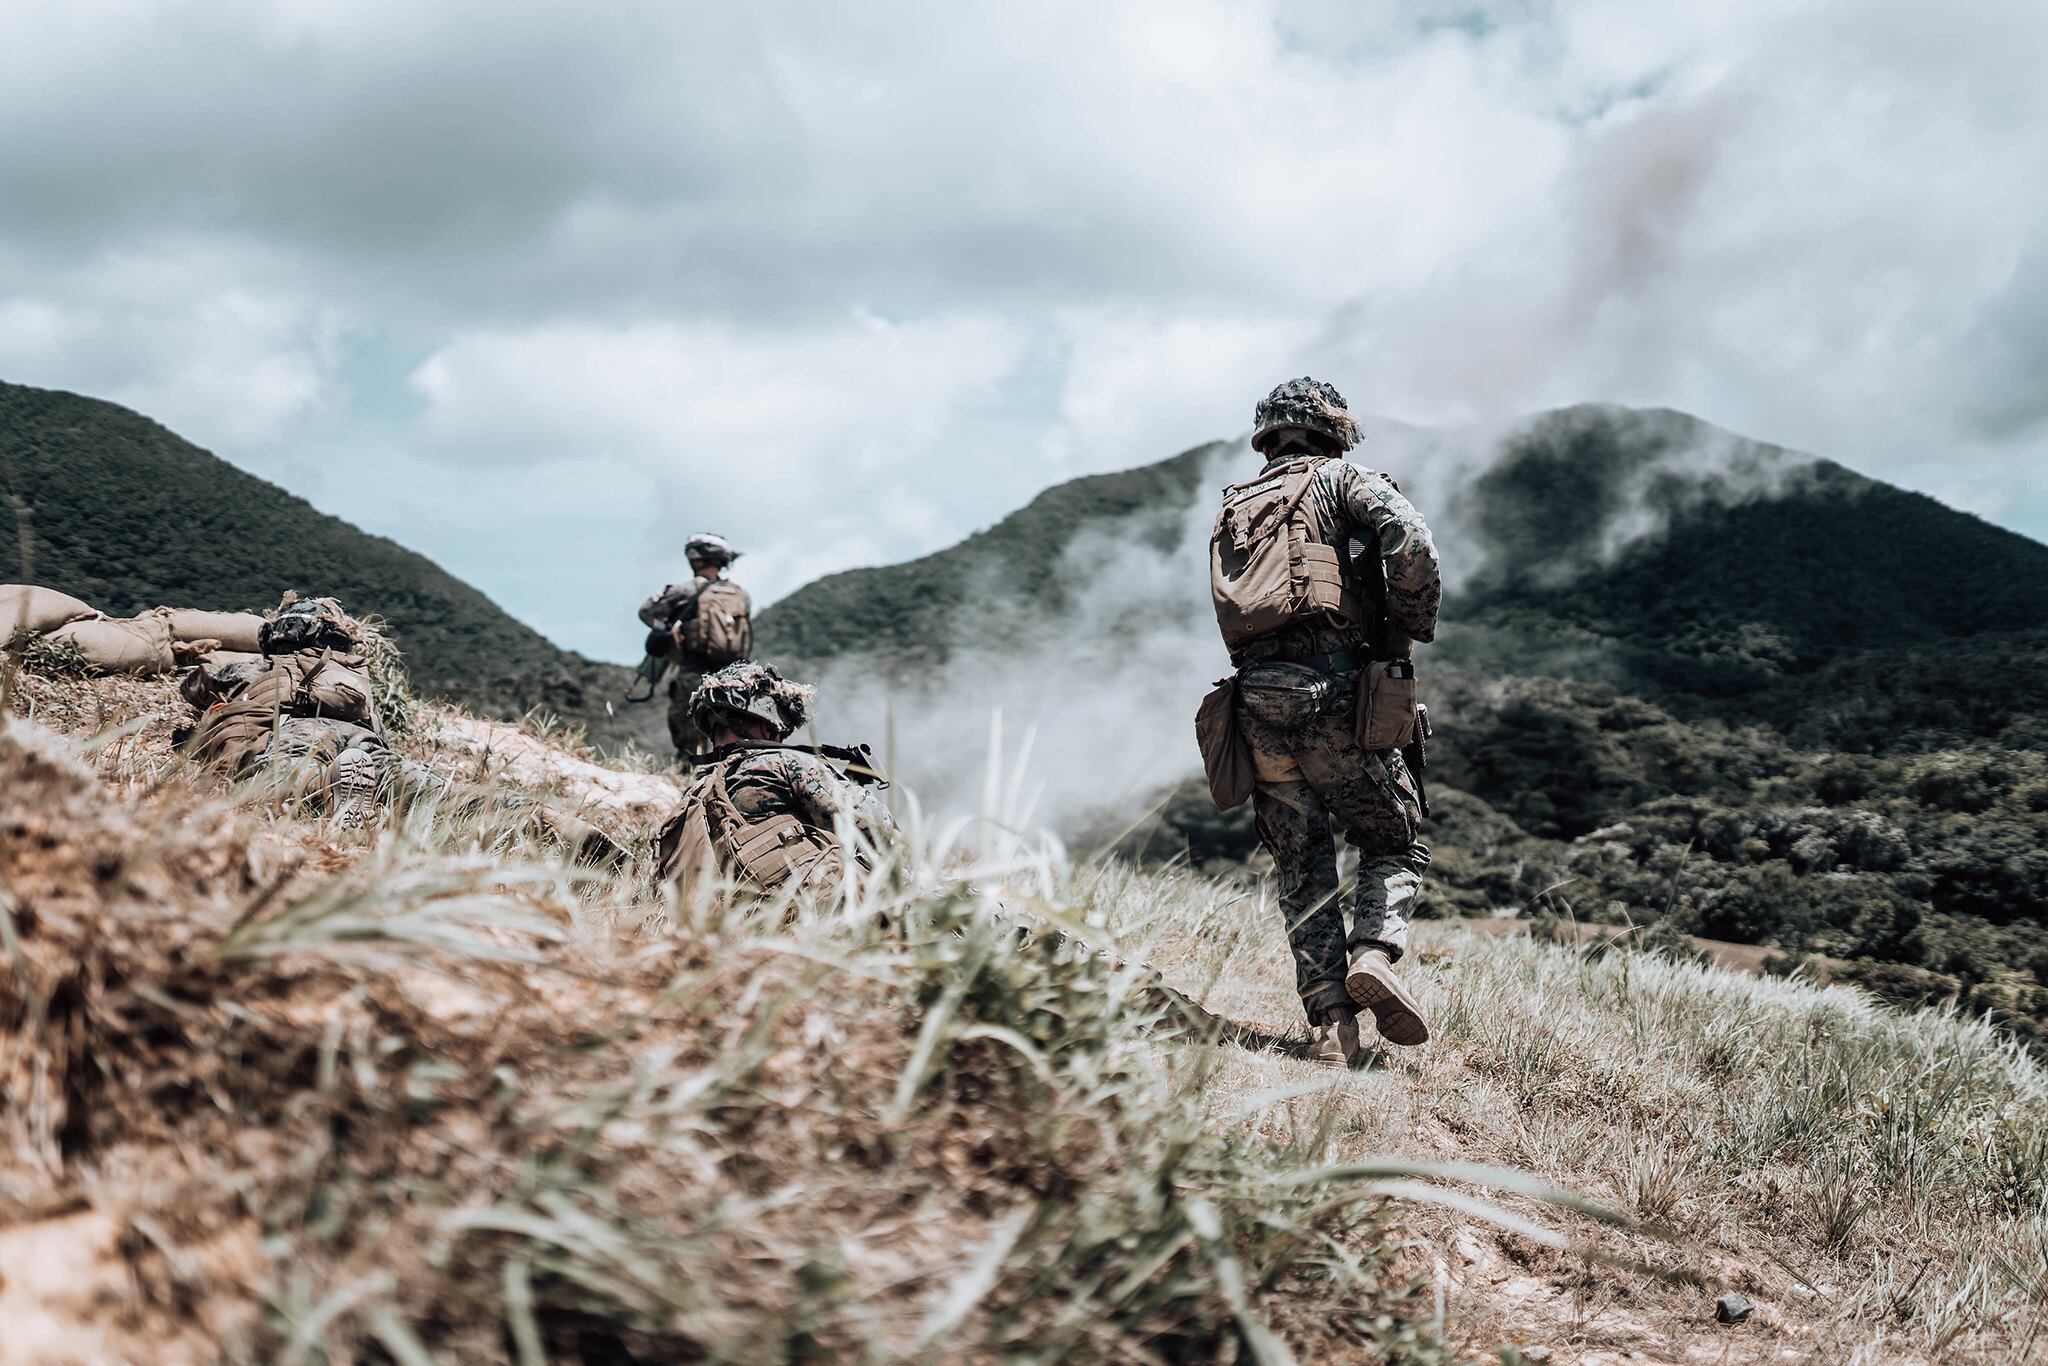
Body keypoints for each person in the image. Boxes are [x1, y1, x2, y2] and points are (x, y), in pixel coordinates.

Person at [1206, 378, 1442, 1068]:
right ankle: (1374, 955)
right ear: (1332, 428)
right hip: (1339, 692)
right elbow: (1414, 541)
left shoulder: (1233, 506)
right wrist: (1403, 637)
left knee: (1302, 867)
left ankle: (1331, 1027)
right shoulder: (1343, 480)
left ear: (1267, 435)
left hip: (1256, 703)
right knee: (1393, 839)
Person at [177, 595, 621, 862]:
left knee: (278, 781)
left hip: (292, 735)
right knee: (446, 796)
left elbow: (191, 689)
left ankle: (331, 783)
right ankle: (548, 820)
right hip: (364, 744)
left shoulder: (249, 668)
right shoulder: (352, 676)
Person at [654, 661, 897, 897]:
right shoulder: (783, 763)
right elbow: (876, 826)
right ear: (769, 726)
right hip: (809, 912)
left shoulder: (694, 795)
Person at [637, 533, 753, 760]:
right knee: (730, 736)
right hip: (734, 677)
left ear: (696, 559)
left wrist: (669, 631)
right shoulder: (741, 594)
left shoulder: (686, 591)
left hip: (694, 673)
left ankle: (688, 777)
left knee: (688, 735)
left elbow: (646, 612)